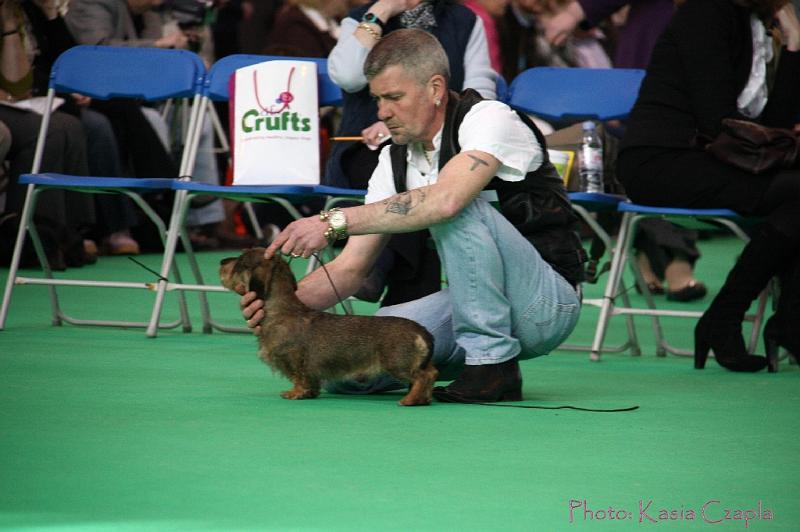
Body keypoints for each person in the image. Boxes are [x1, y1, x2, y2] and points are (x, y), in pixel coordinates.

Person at [240, 29, 582, 402]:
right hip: (475, 305)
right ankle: (475, 359)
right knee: (349, 369)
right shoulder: (393, 158)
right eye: (377, 99)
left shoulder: (490, 119)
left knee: (456, 206)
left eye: (394, 97)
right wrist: (282, 303)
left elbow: (447, 201)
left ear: (435, 88)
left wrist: (332, 221)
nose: (382, 112)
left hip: (545, 306)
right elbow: (349, 268)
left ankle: (492, 365)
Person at [617, 0, 800, 371]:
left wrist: (796, 43)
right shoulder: (704, 11)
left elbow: (773, 125)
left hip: (716, 158)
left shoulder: (759, 24)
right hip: (661, 160)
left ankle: (770, 321)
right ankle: (743, 318)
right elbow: (718, 121)